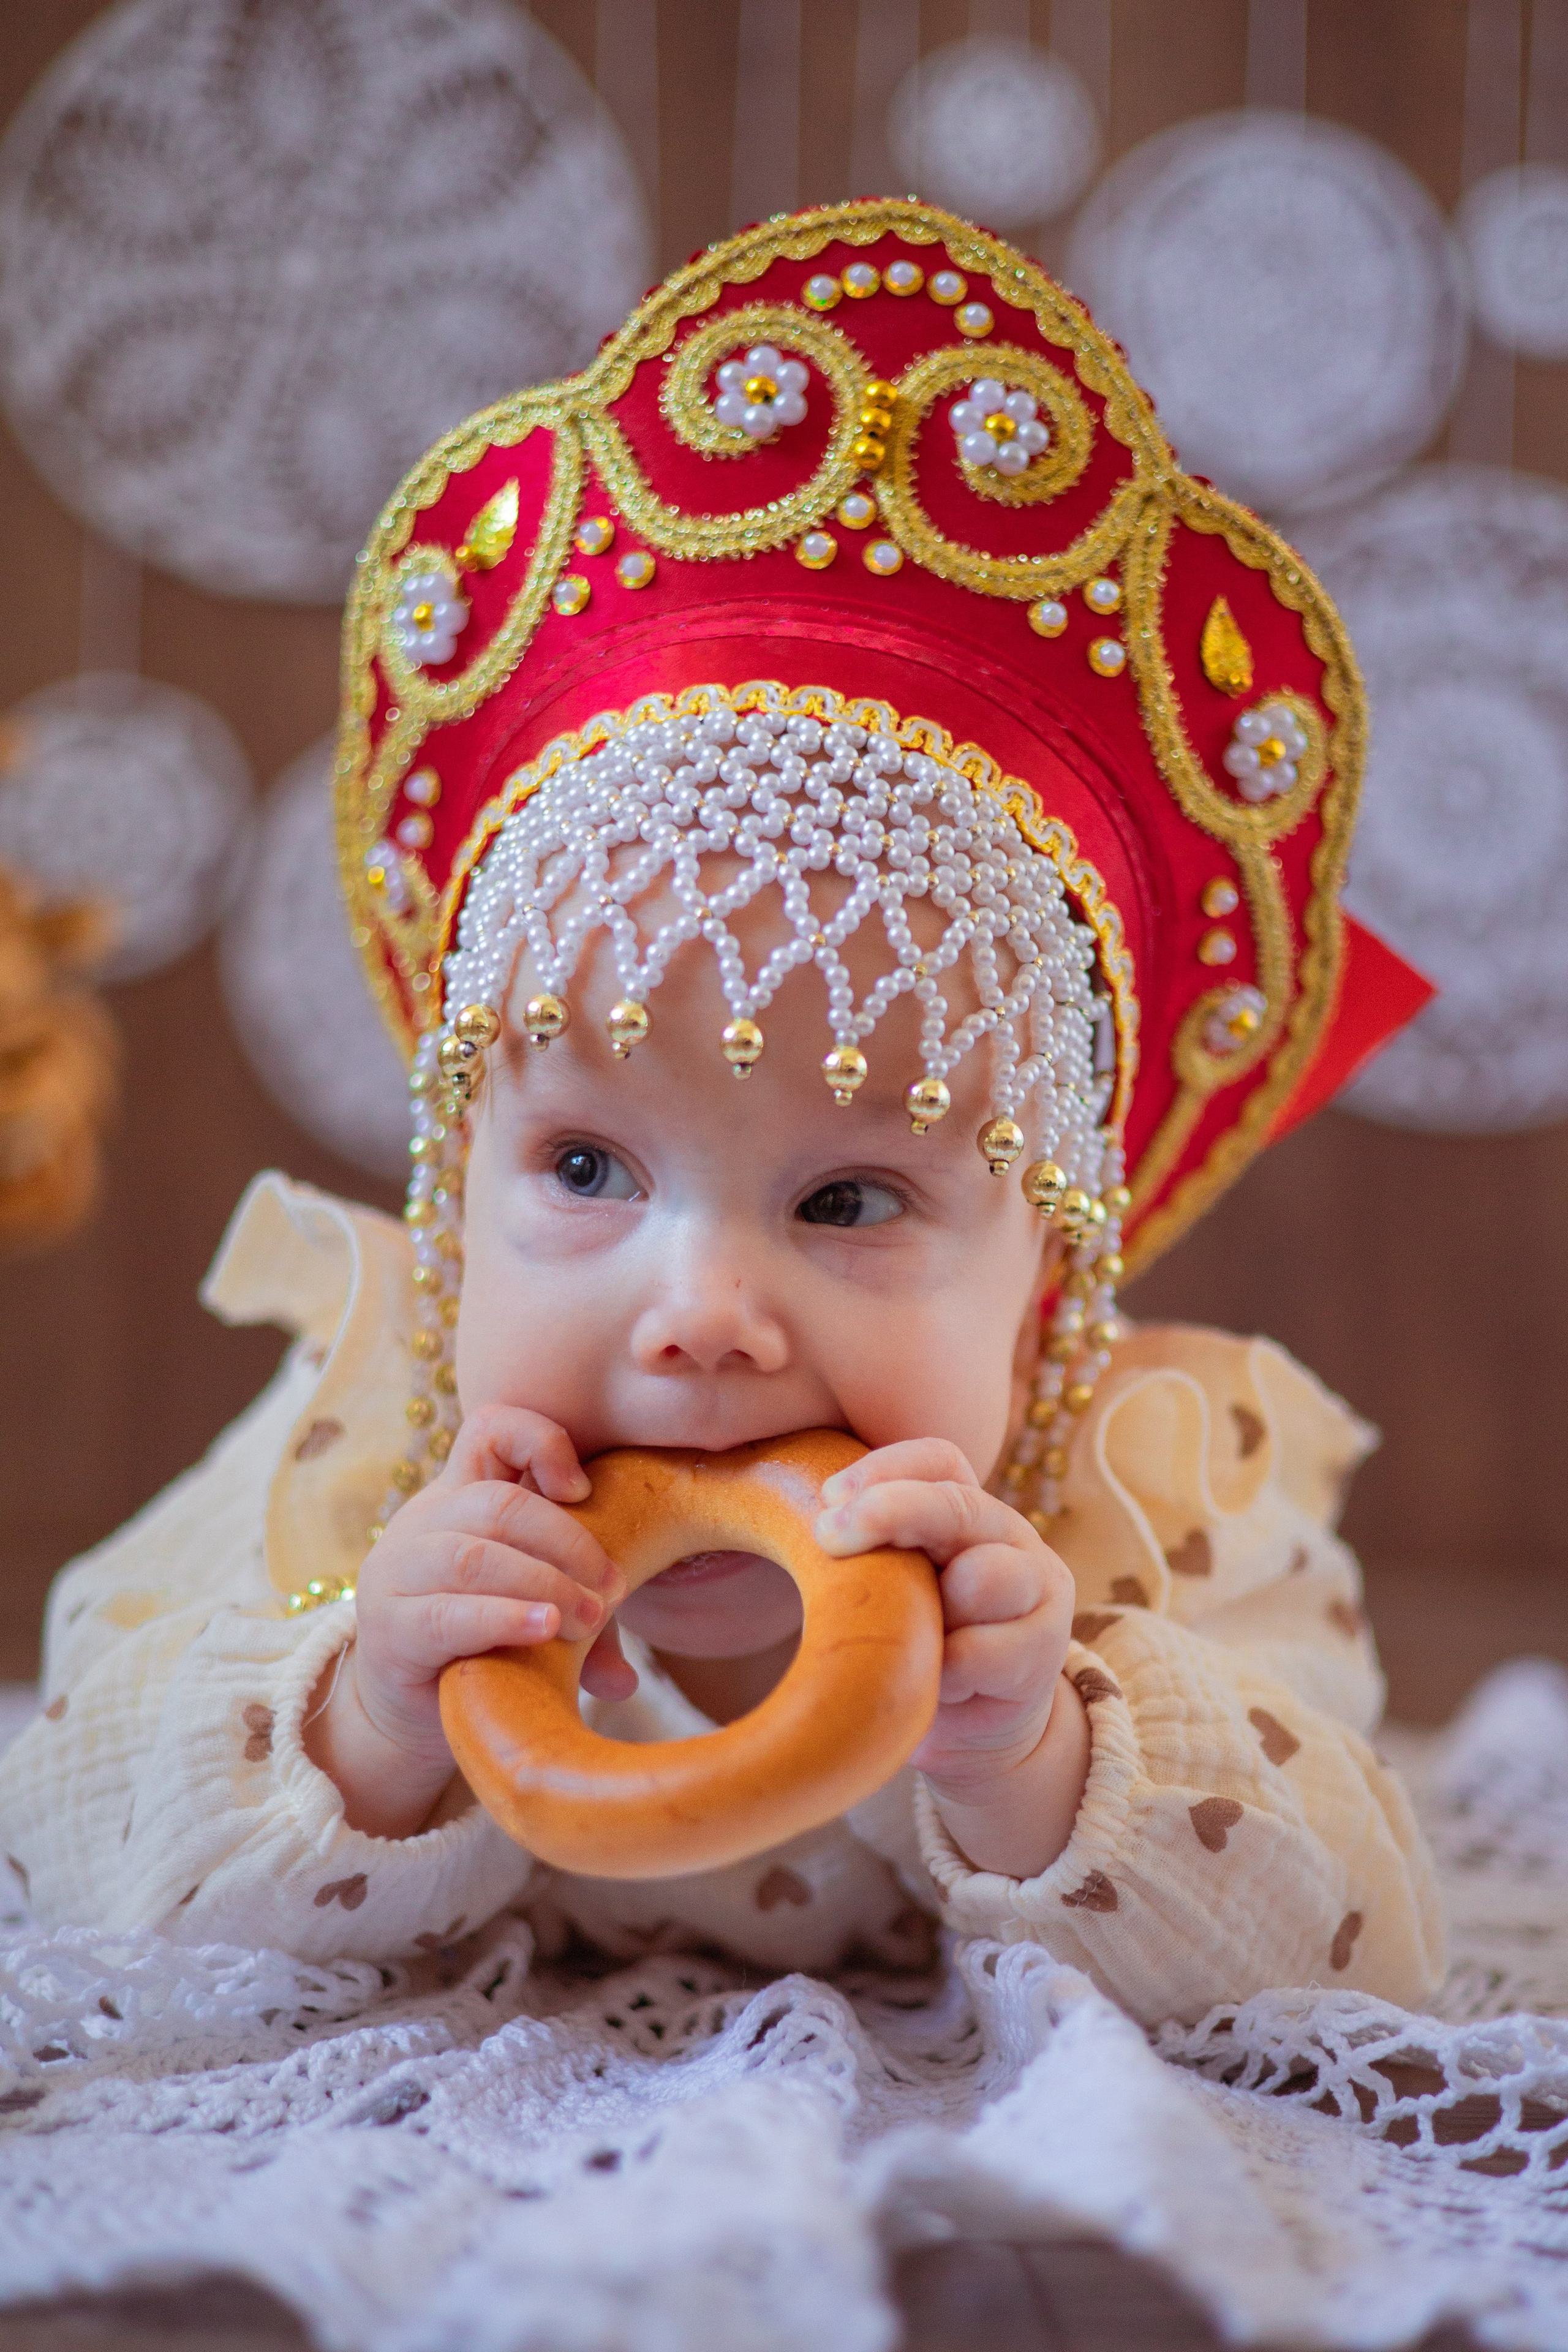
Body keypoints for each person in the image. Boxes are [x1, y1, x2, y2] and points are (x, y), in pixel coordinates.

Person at [0, 201, 1444, 2026]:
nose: (697, 1316)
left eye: (849, 1200)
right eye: (588, 1169)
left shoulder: (1138, 1515)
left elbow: (1374, 1948)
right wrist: (364, 1708)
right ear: (455, 1197)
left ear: (1051, 1282)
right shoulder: (364, 1464)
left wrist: (1041, 1763)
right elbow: (67, 1851)